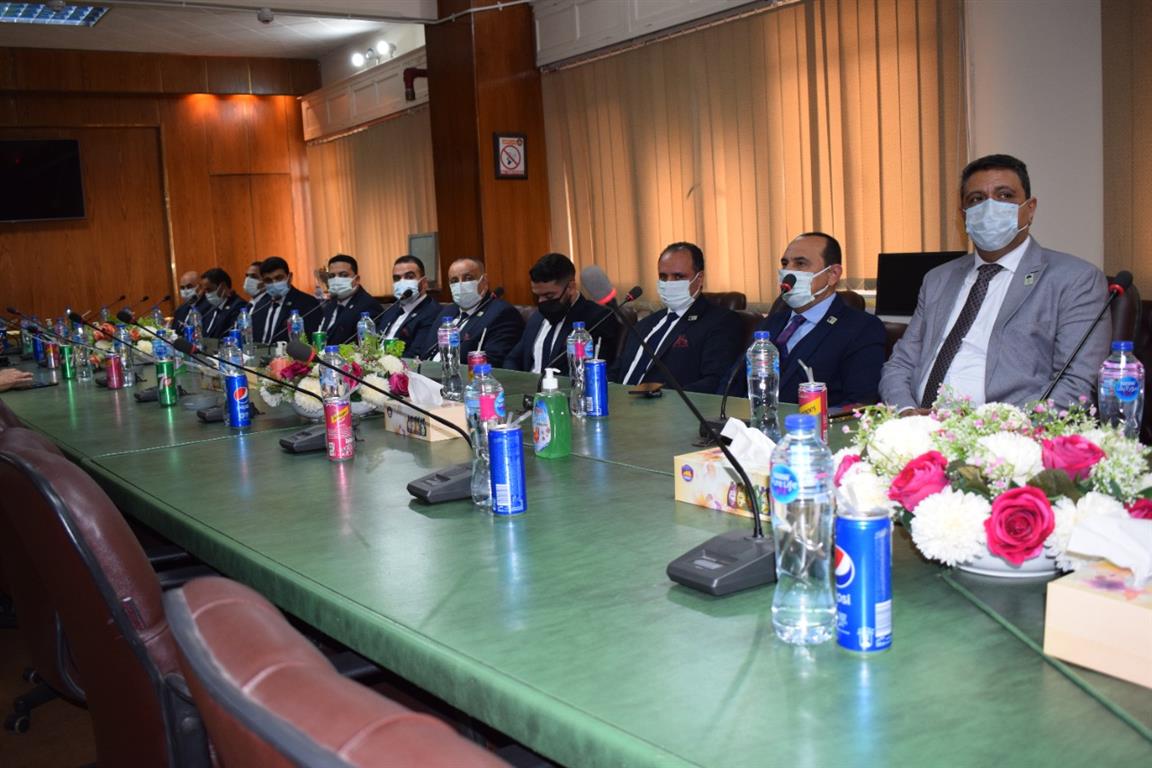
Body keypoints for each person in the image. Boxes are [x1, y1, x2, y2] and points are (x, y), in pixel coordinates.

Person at [879, 154, 1110, 411]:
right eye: (976, 199)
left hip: (1007, 429)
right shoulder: (937, 279)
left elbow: (1077, 382)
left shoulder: (1075, 279)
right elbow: (900, 364)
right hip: (918, 423)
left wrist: (1004, 429)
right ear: (963, 215)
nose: (990, 207)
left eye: (1005, 195)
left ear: (1030, 209)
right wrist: (905, 412)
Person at [724, 233, 886, 406]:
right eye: (785, 264)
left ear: (833, 274)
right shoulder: (771, 322)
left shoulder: (861, 328)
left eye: (800, 264)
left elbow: (860, 402)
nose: (788, 272)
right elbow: (732, 383)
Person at [611, 242, 742, 394]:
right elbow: (617, 370)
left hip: (664, 406)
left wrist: (661, 400)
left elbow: (714, 382)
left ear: (699, 279)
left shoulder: (721, 321)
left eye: (678, 276)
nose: (669, 283)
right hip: (616, 403)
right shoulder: (645, 324)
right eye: (663, 277)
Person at [505, 252, 619, 375]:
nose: (541, 301)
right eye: (536, 296)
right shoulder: (537, 317)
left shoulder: (597, 319)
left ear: (571, 287)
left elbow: (592, 372)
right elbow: (513, 359)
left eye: (549, 296)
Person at [418, 258, 524, 367]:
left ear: (484, 281)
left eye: (468, 278)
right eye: (454, 281)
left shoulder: (502, 313)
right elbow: (425, 351)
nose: (460, 285)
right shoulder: (447, 311)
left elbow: (493, 362)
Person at [374, 255, 442, 351]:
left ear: (424, 283)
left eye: (409, 277)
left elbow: (416, 353)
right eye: (397, 278)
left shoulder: (433, 312)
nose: (402, 282)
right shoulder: (392, 309)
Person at [250, 256, 321, 344]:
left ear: (289, 277)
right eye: (268, 280)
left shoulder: (308, 303)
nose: (274, 283)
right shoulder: (260, 304)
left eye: (279, 278)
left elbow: (312, 341)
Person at [316, 254, 383, 345]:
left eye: (343, 275)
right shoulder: (330, 304)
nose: (336, 280)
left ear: (357, 279)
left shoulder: (368, 306)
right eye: (332, 276)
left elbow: (366, 346)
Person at [199, 267, 248, 339]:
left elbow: (230, 335)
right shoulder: (210, 309)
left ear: (222, 286)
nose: (206, 294)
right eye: (205, 291)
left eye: (209, 290)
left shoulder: (238, 306)